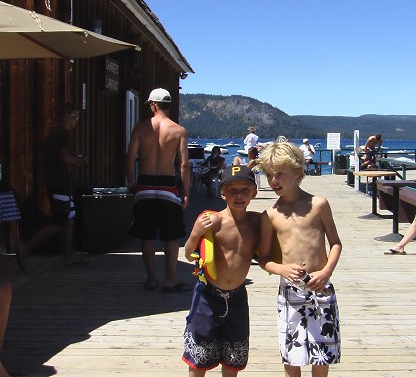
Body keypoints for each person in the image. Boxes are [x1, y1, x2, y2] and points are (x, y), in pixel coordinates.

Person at [257, 142, 342, 376]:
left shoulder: (319, 204)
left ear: (297, 172)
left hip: (320, 285)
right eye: (269, 175)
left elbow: (336, 243)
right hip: (290, 289)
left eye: (280, 174)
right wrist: (281, 269)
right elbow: (263, 258)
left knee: (322, 351)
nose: (273, 180)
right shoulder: (270, 215)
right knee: (291, 352)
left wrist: (326, 272)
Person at [182, 165, 260, 376]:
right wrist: (196, 233)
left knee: (234, 355)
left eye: (245, 189)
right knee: (199, 356)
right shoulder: (213, 221)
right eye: (232, 190)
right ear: (222, 193)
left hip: (238, 297)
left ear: (254, 193)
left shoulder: (256, 222)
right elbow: (189, 254)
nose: (239, 195)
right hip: (208, 295)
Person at [126, 88, 190, 292]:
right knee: (171, 236)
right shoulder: (178, 130)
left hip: (144, 183)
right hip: (168, 185)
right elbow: (184, 165)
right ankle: (170, 280)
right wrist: (186, 192)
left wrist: (131, 182)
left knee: (147, 235)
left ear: (153, 105)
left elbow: (130, 157)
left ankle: (151, 279)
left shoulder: (141, 128)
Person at [17, 102, 89, 270]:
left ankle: (69, 256)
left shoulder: (53, 133)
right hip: (59, 183)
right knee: (61, 220)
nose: (76, 121)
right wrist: (79, 160)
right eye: (75, 116)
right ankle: (26, 247)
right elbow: (64, 157)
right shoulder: (64, 133)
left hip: (59, 182)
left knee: (70, 218)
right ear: (65, 116)